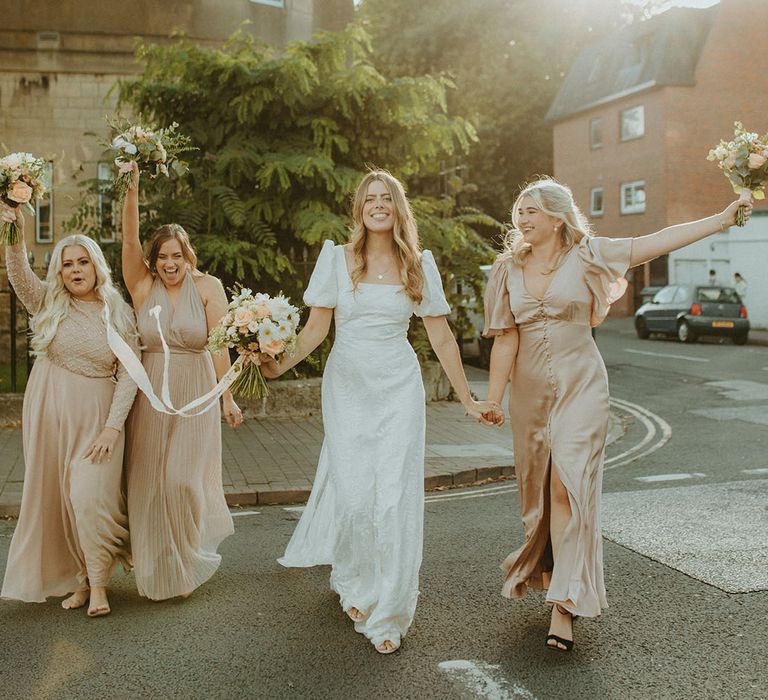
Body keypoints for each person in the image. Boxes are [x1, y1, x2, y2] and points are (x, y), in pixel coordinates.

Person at [482, 178, 752, 652]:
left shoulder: (589, 254)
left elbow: (655, 242)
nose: (520, 219)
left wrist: (722, 219)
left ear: (558, 217)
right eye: (518, 211)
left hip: (582, 384)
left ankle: (564, 606)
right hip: (529, 394)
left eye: (530, 211)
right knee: (537, 494)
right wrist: (493, 398)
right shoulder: (507, 269)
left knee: (569, 487)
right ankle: (549, 570)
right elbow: (505, 338)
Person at [260, 170, 499, 654]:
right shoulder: (337, 259)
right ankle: (353, 581)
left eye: (386, 198)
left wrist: (469, 399)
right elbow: (312, 333)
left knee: (392, 499)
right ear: (359, 209)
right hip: (347, 387)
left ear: (398, 208)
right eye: (369, 198)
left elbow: (441, 337)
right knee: (353, 498)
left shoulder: (418, 264)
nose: (377, 205)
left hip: (398, 388)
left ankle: (388, 610)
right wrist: (273, 367)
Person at [0, 203, 138, 617]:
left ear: (97, 266)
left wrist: (113, 428)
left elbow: (131, 373)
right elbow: (19, 276)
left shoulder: (118, 310)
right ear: (59, 273)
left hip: (97, 419)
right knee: (63, 499)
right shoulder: (48, 303)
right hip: (50, 416)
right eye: (67, 265)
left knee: (90, 497)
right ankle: (83, 579)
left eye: (83, 262)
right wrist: (15, 232)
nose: (75, 270)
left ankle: (99, 587)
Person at [120, 162, 242, 601]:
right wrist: (131, 187)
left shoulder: (209, 287)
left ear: (187, 256)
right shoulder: (140, 285)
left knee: (182, 480)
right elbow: (129, 239)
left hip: (196, 391)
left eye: (177, 255)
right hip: (150, 390)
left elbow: (219, 346)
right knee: (149, 481)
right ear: (154, 260)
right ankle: (157, 564)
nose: (169, 263)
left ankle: (187, 556)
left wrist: (227, 397)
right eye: (162, 256)